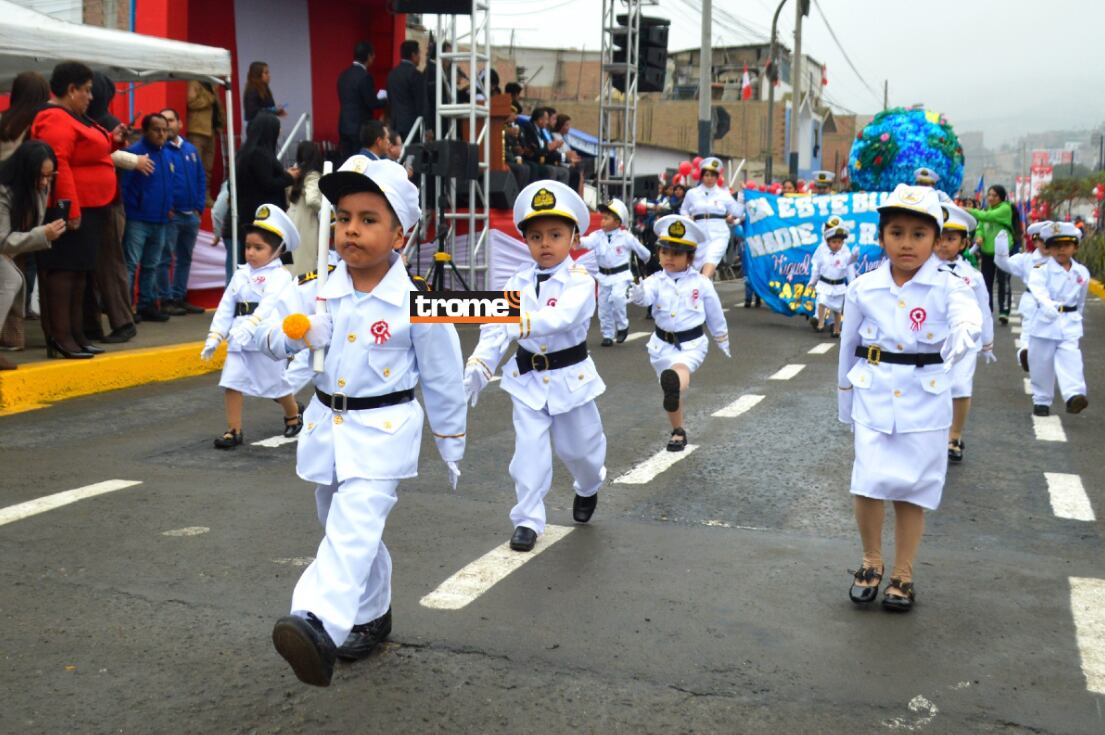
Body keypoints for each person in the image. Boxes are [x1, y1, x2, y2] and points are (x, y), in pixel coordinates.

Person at [256, 156, 465, 687]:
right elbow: (261, 336)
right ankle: (371, 617)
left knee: (351, 532)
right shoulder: (315, 286)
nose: (351, 229)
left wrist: (450, 443)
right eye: (344, 216)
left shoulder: (419, 302)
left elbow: (443, 378)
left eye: (369, 219)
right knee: (343, 528)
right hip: (327, 429)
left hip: (383, 435)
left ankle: (314, 623)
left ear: (402, 232)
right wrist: (300, 330)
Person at [838, 184, 982, 612]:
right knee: (867, 481)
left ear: (937, 241)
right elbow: (847, 345)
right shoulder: (863, 287)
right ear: (881, 238)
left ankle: (903, 571)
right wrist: (844, 399)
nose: (907, 243)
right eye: (896, 232)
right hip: (874, 393)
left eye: (919, 234)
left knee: (912, 489)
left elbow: (966, 312)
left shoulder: (950, 285)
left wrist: (966, 332)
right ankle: (870, 560)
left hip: (925, 398)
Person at [464, 180, 607, 553]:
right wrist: (480, 364)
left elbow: (560, 317)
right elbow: (495, 329)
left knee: (583, 452)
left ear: (574, 238)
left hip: (570, 380)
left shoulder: (580, 280)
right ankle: (527, 519)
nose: (545, 243)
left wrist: (518, 322)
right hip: (527, 380)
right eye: (536, 236)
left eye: (556, 234)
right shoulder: (516, 281)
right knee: (528, 454)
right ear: (525, 241)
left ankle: (588, 486)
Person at [31, 61, 121, 359]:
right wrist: (70, 209)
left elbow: (92, 146)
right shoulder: (55, 118)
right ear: (71, 90)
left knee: (80, 272)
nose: (91, 97)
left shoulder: (73, 115)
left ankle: (76, 333)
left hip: (91, 207)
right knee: (63, 272)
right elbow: (59, 163)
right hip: (71, 209)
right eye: (86, 91)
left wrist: (113, 140)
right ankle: (60, 337)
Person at [201, 204, 302, 448]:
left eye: (259, 248)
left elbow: (269, 304)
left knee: (275, 383)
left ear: (277, 250)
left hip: (264, 337)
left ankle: (293, 415)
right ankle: (233, 430)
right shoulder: (240, 274)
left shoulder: (280, 276)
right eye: (248, 247)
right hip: (238, 336)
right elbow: (227, 306)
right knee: (232, 381)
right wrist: (214, 336)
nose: (251, 253)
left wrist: (252, 326)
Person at [629, 214, 730, 452]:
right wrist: (638, 292)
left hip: (691, 343)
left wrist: (722, 339)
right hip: (661, 345)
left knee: (677, 376)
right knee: (671, 391)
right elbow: (645, 299)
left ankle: (675, 384)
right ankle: (678, 430)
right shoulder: (655, 280)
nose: (668, 258)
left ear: (690, 257)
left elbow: (715, 314)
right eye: (664, 252)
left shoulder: (701, 283)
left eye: (676, 253)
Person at [935, 202, 995, 462]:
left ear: (963, 243)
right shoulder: (917, 272)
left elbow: (984, 308)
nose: (943, 245)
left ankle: (954, 436)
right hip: (930, 340)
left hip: (965, 340)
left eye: (950, 239)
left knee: (959, 386)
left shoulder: (973, 276)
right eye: (938, 238)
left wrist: (987, 342)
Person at [86, 72, 143, 344]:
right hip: (104, 200)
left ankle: (122, 321)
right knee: (99, 265)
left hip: (107, 202)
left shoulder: (103, 123)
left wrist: (131, 160)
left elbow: (106, 156)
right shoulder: (99, 120)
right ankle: (96, 324)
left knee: (108, 264)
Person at [0, 141, 67, 369]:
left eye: (50, 176)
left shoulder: (37, 187)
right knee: (11, 278)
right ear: (25, 171)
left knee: (13, 278)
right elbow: (2, 240)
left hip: (9, 250)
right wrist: (42, 234)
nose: (45, 182)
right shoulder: (3, 190)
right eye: (41, 176)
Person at [0, 71, 51, 344]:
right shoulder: (34, 128)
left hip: (5, 203)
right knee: (18, 271)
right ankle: (12, 335)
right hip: (22, 204)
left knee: (8, 272)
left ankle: (11, 336)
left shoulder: (4, 124)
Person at [1025, 221, 1089, 417]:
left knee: (1071, 359)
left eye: (1066, 245)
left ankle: (1074, 395)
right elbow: (1038, 291)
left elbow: (1081, 300)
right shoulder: (1040, 269)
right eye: (1056, 246)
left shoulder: (1081, 272)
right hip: (1045, 322)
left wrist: (1077, 316)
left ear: (1075, 247)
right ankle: (1042, 400)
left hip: (1069, 322)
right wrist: (1047, 306)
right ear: (1048, 248)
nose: (1061, 250)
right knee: (1041, 362)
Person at [229, 113, 298, 282]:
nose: (280, 131)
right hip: (264, 218)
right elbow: (268, 183)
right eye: (277, 128)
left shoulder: (246, 153)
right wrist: (288, 178)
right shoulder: (260, 154)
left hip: (251, 214)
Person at [121, 113, 174, 323]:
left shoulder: (167, 154)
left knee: (151, 265)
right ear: (145, 131)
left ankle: (146, 305)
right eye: (157, 129)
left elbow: (168, 185)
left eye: (165, 129)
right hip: (138, 219)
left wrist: (169, 206)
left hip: (160, 219)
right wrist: (131, 209)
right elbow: (124, 187)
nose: (162, 134)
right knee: (131, 264)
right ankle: (125, 309)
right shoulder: (134, 154)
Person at [579, 198, 650, 346]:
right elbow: (586, 242)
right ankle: (607, 334)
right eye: (602, 217)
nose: (603, 221)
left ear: (618, 222)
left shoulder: (626, 237)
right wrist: (576, 240)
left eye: (607, 218)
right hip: (604, 276)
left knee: (618, 299)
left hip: (621, 276)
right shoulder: (598, 236)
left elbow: (643, 252)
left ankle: (623, 326)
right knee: (604, 306)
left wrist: (646, 260)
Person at [159, 108, 207, 315]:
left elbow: (200, 178)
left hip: (191, 215)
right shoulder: (162, 151)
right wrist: (168, 207)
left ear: (179, 124)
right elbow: (162, 183)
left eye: (171, 120)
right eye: (164, 121)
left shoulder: (190, 150)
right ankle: (166, 299)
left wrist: (199, 206)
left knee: (185, 258)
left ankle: (179, 296)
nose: (167, 125)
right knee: (165, 258)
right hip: (172, 215)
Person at [996, 221, 1050, 372]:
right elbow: (1004, 264)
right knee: (1028, 333)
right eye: (1041, 240)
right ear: (1035, 241)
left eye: (1049, 241)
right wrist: (1001, 245)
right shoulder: (1026, 259)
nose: (1045, 244)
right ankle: (1025, 354)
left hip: (1053, 304)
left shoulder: (1061, 261)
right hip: (1032, 302)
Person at [680, 157, 742, 279]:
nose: (710, 178)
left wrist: (742, 198)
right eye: (707, 175)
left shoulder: (724, 194)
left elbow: (738, 211)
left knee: (711, 258)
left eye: (713, 175)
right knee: (695, 267)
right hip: (698, 232)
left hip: (719, 232)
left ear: (717, 177)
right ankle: (701, 292)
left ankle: (704, 283)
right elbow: (683, 209)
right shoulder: (692, 193)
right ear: (702, 175)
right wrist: (687, 217)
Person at [967, 185, 1019, 324]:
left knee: (1003, 281)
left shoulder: (1005, 209)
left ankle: (1004, 311)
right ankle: (987, 310)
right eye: (989, 195)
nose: (991, 198)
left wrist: (969, 210)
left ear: (1001, 197)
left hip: (1002, 252)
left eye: (994, 195)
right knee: (985, 283)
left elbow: (987, 217)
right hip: (987, 251)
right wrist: (979, 236)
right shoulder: (985, 210)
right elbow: (980, 227)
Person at [807, 217, 856, 336]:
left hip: (838, 284)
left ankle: (834, 324)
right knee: (821, 299)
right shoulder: (821, 248)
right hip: (824, 282)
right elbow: (816, 267)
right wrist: (812, 281)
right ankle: (818, 318)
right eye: (828, 228)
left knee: (837, 306)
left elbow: (849, 268)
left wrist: (853, 284)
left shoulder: (844, 250)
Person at [338, 41, 387, 160]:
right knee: (359, 163)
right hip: (359, 128)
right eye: (373, 55)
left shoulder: (343, 75)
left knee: (346, 161)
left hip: (343, 125)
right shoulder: (365, 76)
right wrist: (384, 99)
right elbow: (372, 103)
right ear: (369, 56)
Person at [288, 141, 324, 277]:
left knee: (292, 263)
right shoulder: (313, 175)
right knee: (305, 265)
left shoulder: (296, 174)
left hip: (292, 221)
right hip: (306, 224)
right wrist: (327, 211)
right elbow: (312, 200)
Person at [186, 80, 223, 198]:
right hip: (197, 130)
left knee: (208, 168)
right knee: (195, 166)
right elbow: (191, 103)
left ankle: (205, 196)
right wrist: (210, 97)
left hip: (211, 131)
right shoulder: (194, 83)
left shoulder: (212, 85)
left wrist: (221, 122)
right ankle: (194, 196)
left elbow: (217, 107)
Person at [386, 41, 426, 143]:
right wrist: (428, 127)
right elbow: (421, 102)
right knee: (411, 156)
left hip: (395, 124)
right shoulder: (415, 75)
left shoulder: (392, 74)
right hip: (413, 126)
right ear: (413, 55)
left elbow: (390, 100)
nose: (420, 57)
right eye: (419, 54)